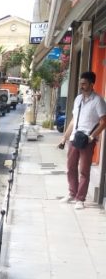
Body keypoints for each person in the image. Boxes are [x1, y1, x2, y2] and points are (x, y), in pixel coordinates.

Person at [59, 71, 106, 209]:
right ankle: (72, 193)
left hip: (87, 140)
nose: (81, 86)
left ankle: (80, 199)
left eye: (84, 84)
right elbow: (73, 120)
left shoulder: (98, 100)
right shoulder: (78, 99)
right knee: (70, 167)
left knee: (84, 170)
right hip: (74, 138)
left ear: (92, 84)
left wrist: (92, 137)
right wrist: (64, 137)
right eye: (81, 83)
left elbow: (104, 121)